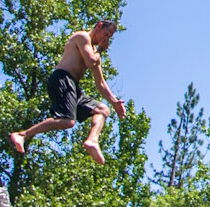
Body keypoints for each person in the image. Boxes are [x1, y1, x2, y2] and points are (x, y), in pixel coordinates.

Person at [9, 18, 127, 168]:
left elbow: (101, 83)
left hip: (73, 86)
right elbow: (90, 62)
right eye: (106, 34)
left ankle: (92, 140)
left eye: (109, 37)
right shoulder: (82, 37)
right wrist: (99, 51)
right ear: (99, 26)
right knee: (67, 121)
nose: (105, 39)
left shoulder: (95, 52)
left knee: (102, 110)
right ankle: (22, 135)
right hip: (62, 78)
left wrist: (114, 102)